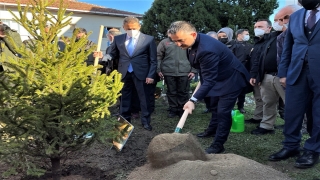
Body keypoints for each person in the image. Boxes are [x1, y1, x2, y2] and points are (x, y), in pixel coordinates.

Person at [167, 21, 250, 154]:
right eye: (174, 41)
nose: (177, 44)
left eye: (180, 40)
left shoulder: (207, 49)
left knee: (223, 111)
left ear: (193, 34)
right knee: (214, 107)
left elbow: (210, 80)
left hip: (231, 80)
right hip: (217, 77)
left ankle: (218, 145)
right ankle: (211, 131)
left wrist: (193, 100)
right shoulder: (193, 42)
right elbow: (203, 69)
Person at [269, 0, 320, 168]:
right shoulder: (297, 16)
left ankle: (313, 149)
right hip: (297, 72)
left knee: (317, 113)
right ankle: (291, 146)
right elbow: (288, 47)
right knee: (292, 110)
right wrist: (283, 73)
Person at [108, 16, 157, 131]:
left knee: (143, 98)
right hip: (124, 72)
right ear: (124, 27)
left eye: (134, 28)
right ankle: (124, 121)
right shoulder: (118, 39)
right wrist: (104, 56)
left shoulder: (148, 39)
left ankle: (145, 121)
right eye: (128, 28)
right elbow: (113, 54)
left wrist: (150, 75)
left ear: (139, 27)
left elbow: (153, 60)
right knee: (124, 97)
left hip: (142, 73)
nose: (131, 30)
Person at [249, 18, 285, 135]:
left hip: (284, 77)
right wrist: (256, 75)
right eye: (255, 27)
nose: (278, 22)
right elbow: (258, 58)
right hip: (267, 76)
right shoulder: (269, 38)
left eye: (282, 19)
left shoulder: (292, 35)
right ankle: (266, 126)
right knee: (268, 102)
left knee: (291, 104)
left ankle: (297, 128)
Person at [157, 36, 196, 118]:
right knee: (171, 92)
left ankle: (182, 109)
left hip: (185, 71)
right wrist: (158, 69)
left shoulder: (187, 41)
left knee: (183, 92)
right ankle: (173, 109)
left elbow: (195, 55)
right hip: (168, 71)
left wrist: (193, 70)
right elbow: (158, 56)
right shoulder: (164, 42)